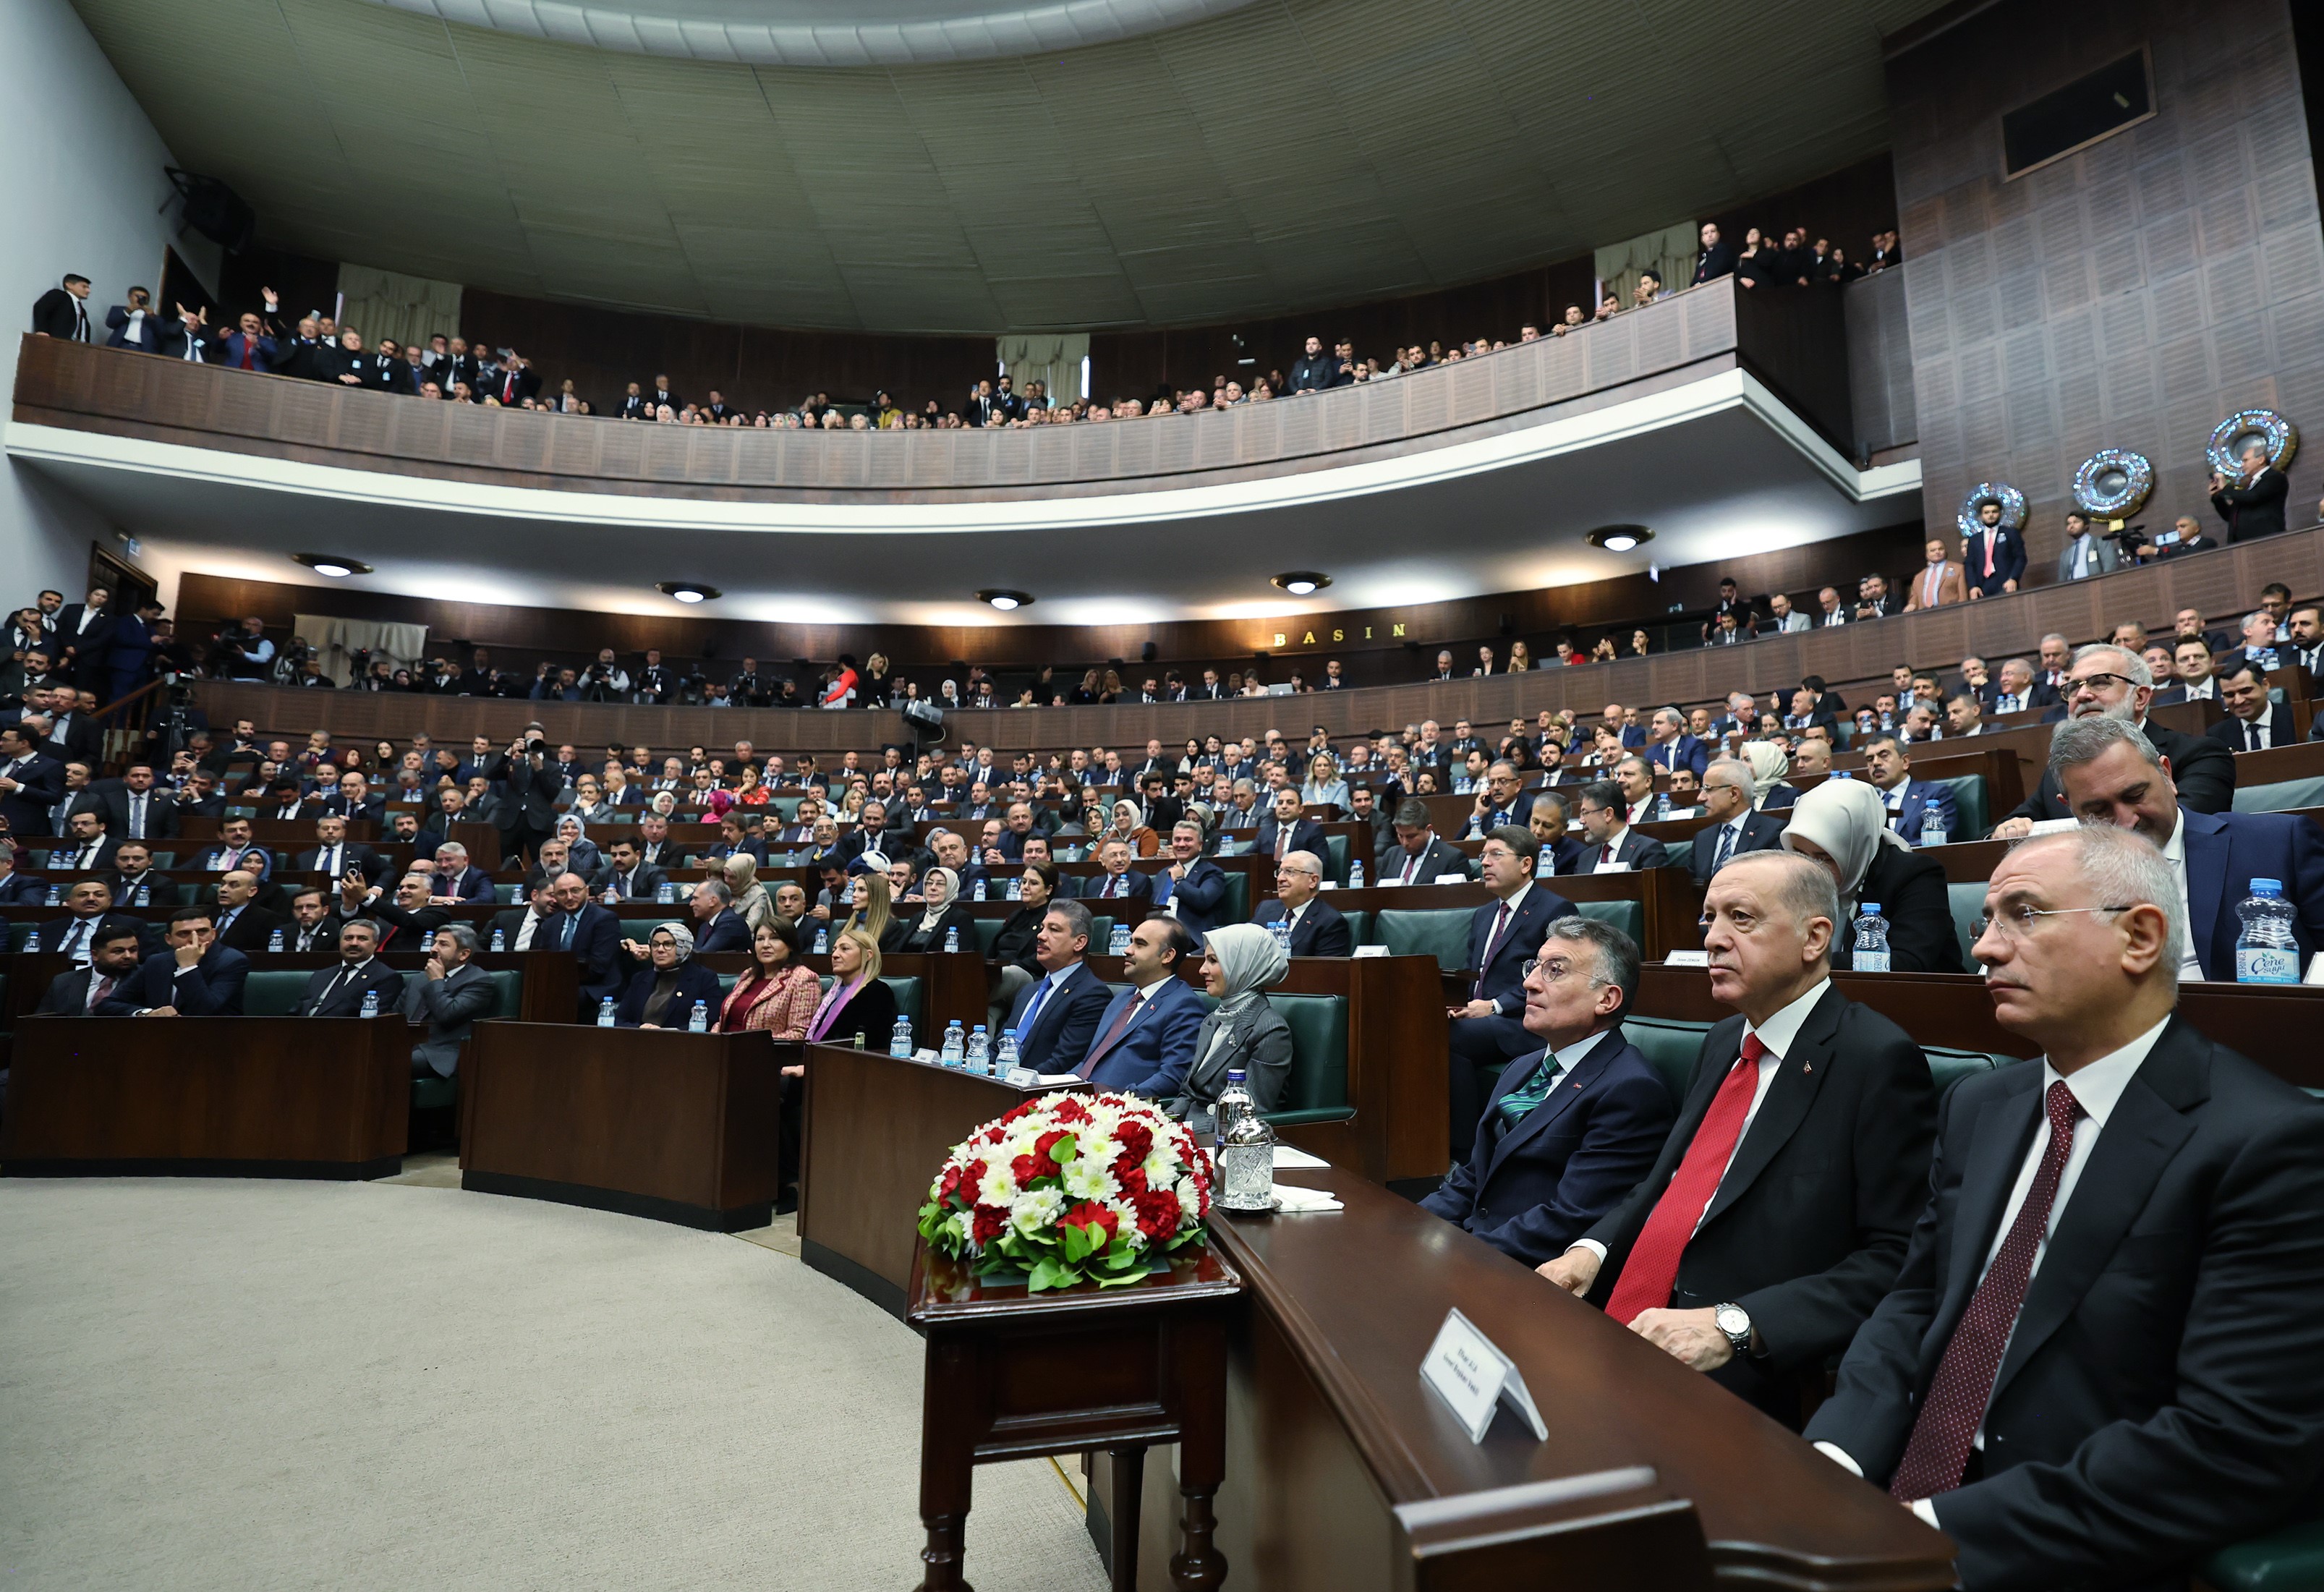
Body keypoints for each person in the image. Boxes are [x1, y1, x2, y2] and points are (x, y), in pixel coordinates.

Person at [1804, 826, 2324, 1589]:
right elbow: (1917, 1296)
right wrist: (1835, 1455)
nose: (1984, 947)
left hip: (2061, 1537)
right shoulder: (1981, 1103)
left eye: (2024, 913)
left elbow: (2232, 1440)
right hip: (1894, 1482)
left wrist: (1933, 1531)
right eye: (1985, 920)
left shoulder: (2270, 1143)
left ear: (2140, 936)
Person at [1540, 850, 1937, 1426]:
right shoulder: (1724, 1038)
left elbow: (1897, 1258)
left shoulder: (1875, 1058)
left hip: (1741, 1363)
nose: (1713, 939)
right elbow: (1670, 1183)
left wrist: (1738, 1324)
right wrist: (1589, 1250)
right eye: (1709, 918)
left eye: (1740, 919)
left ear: (1814, 937)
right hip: (1622, 1318)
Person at [1423, 917, 1676, 1267]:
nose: (1529, 983)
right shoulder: (1522, 1067)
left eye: (1555, 970)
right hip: (1471, 1251)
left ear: (1606, 998)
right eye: (1535, 967)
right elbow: (1471, 1177)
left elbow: (1569, 1219)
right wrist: (1414, 1229)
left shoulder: (1630, 1090)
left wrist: (1457, 1257)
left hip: (1522, 1277)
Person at [2051, 716, 2324, 980]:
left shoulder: (2277, 843)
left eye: (2135, 796)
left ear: (2167, 774)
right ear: (2070, 808)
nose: (2126, 822)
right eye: (2098, 810)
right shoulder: (2064, 884)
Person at [1995, 646, 2235, 831]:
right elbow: (2005, 827)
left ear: (2140, 697)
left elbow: (2174, 825)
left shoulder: (2201, 754)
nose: (2083, 695)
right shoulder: (2059, 773)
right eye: (2073, 688)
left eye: (2100, 682)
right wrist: (2009, 830)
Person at [1446, 828, 1580, 1154]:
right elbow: (1472, 975)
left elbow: (1556, 978)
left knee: (1451, 1038)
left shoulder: (1555, 909)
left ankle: (1464, 1154)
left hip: (1525, 1022)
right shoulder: (1483, 914)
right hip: (1481, 1019)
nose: (1485, 863)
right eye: (1482, 857)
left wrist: (1494, 1006)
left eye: (1495, 855)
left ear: (1525, 864)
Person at [1781, 778, 1961, 972]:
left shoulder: (1916, 876)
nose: (1811, 869)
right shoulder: (1798, 878)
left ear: (1855, 846)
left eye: (1825, 858)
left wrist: (1801, 960)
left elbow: (1907, 963)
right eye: (1800, 855)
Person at [1165, 924, 1294, 1132]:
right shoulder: (1212, 1020)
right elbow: (1188, 1094)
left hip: (1219, 1141)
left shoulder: (1270, 1028)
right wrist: (1159, 1124)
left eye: (1213, 961)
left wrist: (1186, 1132)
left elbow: (1249, 1114)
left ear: (1243, 964)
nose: (1202, 969)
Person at [1075, 918, 1206, 1094]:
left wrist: (1120, 1100)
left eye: (1140, 944)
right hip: (1082, 1101)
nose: (1127, 950)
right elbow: (1089, 1063)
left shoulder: (1184, 1005)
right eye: (1131, 942)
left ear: (1167, 956)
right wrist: (1054, 1086)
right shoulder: (1122, 999)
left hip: (1121, 1109)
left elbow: (1172, 1077)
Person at [1003, 899, 1111, 1072]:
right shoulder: (1028, 991)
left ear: (1079, 943)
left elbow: (1063, 1062)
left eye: (1054, 929)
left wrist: (1014, 1081)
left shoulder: (1092, 994)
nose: (1041, 935)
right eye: (1042, 927)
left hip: (1038, 1092)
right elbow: (1000, 1046)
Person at [100, 907, 251, 1016]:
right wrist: (146, 1014)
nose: (194, 939)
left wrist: (188, 967)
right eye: (184, 934)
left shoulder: (232, 961)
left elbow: (206, 1011)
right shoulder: (157, 962)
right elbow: (108, 1005)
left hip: (214, 1040)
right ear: (168, 939)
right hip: (160, 1039)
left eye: (202, 932)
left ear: (213, 934)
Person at [717, 919, 821, 1039]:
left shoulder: (804, 978)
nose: (765, 945)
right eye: (760, 939)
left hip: (765, 1054)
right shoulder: (749, 974)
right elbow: (722, 1023)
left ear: (791, 945)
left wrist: (748, 1046)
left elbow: (798, 1033)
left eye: (775, 938)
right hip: (724, 1049)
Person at [1689, 759, 1787, 885]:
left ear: (1734, 794)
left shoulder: (1773, 832)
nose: (1700, 798)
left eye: (1708, 789)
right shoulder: (1702, 839)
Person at [987, 860, 1057, 1029]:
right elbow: (993, 950)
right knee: (986, 1010)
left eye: (1033, 883)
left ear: (1048, 890)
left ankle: (966, 994)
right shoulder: (1016, 915)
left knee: (1014, 972)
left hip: (1030, 978)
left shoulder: (1053, 918)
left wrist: (1008, 966)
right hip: (1001, 981)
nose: (1025, 887)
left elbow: (1046, 956)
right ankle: (983, 1054)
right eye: (1024, 882)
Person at [613, 922, 724, 1029]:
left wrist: (667, 1033)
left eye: (668, 944)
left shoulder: (704, 978)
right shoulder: (640, 979)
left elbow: (710, 1021)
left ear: (683, 946)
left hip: (682, 1044)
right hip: (639, 1041)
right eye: (655, 944)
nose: (660, 950)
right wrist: (640, 1028)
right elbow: (619, 1019)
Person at [803, 927, 898, 1046]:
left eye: (845, 949)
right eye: (834, 949)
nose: (835, 955)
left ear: (868, 955)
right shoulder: (831, 994)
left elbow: (867, 1042)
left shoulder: (878, 993)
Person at [1858, 734, 1959, 843]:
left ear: (1905, 761)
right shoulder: (1864, 802)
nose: (1875, 763)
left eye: (1884, 755)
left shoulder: (1935, 795)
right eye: (1870, 759)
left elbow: (1937, 842)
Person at [1251, 850, 1353, 955]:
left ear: (1313, 881)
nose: (1280, 879)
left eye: (1290, 872)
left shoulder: (1330, 922)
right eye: (1280, 872)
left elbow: (1326, 969)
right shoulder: (1265, 909)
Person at [294, 920, 404, 1016]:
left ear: (375, 943)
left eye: (362, 939)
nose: (354, 943)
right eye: (348, 938)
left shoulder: (386, 977)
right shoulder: (321, 975)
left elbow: (374, 1022)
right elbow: (297, 1011)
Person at [36, 922, 148, 1013]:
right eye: (118, 951)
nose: (128, 956)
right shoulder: (64, 981)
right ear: (95, 955)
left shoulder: (148, 981)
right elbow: (41, 1021)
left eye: (133, 950)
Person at [1152, 820, 1230, 940]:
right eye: (1177, 840)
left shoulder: (1212, 873)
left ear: (1200, 845)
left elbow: (1203, 900)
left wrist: (1179, 880)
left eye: (1188, 840)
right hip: (1157, 934)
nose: (1182, 844)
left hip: (1190, 938)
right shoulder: (1163, 874)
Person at [1575, 779, 1668, 872]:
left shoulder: (1648, 850)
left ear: (1608, 814)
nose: (1581, 821)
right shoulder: (1585, 857)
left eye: (1585, 813)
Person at [2208, 657, 2299, 751]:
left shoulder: (2297, 719)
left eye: (2245, 691)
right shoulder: (2217, 736)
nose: (2238, 701)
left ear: (2265, 685)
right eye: (2230, 695)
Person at [2210, 439, 2289, 542]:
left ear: (2261, 459)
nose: (2242, 465)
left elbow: (2254, 497)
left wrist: (2226, 488)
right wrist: (2217, 496)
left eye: (2245, 460)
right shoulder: (2248, 485)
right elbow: (2230, 515)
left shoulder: (2274, 477)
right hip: (2241, 543)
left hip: (2266, 538)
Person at [1386, 799, 1471, 885]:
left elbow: (1455, 896)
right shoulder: (1391, 856)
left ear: (1428, 830)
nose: (1405, 843)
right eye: (1400, 836)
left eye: (1411, 836)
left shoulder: (1453, 859)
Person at [897, 865, 976, 953]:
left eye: (940, 884)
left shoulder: (961, 918)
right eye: (929, 883)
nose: (933, 888)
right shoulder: (917, 917)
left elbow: (962, 958)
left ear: (951, 889)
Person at [1960, 502, 2025, 597]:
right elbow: (1969, 564)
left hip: (2006, 583)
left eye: (1994, 512)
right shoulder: (1974, 540)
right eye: (1986, 513)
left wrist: (2013, 578)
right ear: (1981, 516)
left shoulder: (2011, 533)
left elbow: (2021, 558)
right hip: (1982, 585)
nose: (1990, 515)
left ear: (2000, 513)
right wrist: (1973, 586)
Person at [1256, 786, 1324, 864]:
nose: (1284, 806)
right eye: (1280, 803)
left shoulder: (1312, 831)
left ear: (1301, 809)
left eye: (1290, 803)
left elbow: (1322, 862)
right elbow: (1247, 856)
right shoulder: (1265, 831)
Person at [592, 835, 669, 901]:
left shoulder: (654, 873)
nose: (618, 859)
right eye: (614, 855)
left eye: (624, 854)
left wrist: (622, 900)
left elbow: (660, 900)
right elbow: (587, 892)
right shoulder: (604, 873)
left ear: (637, 855)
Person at [689, 879, 752, 953]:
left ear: (713, 901)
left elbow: (704, 955)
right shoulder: (704, 927)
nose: (691, 904)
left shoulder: (731, 923)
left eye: (696, 899)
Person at [2056, 511, 2119, 582]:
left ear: (2086, 525)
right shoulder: (2065, 554)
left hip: (2096, 587)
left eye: (2076, 522)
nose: (2071, 526)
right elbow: (2062, 580)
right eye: (2069, 524)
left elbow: (2110, 568)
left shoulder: (2101, 544)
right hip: (2073, 590)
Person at [1904, 537, 1967, 610]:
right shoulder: (1919, 577)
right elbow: (1914, 601)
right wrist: (1912, 604)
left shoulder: (1958, 569)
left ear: (1945, 551)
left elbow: (1963, 597)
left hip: (1951, 613)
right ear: (1927, 555)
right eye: (1933, 550)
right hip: (1924, 616)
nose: (1937, 552)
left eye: (1940, 549)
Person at [1086, 838, 1153, 903]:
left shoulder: (1140, 882)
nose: (1119, 860)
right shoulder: (1093, 883)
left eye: (1123, 854)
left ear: (1130, 859)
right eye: (1114, 855)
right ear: (1103, 861)